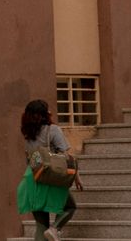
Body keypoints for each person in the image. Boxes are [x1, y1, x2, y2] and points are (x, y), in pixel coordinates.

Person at [17, 99, 83, 241]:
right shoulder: (52, 130)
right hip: (50, 177)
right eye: (47, 110)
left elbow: (29, 159)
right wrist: (76, 176)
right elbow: (66, 156)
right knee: (70, 207)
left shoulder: (28, 134)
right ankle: (55, 229)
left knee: (41, 225)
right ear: (42, 115)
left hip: (32, 179)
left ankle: (50, 230)